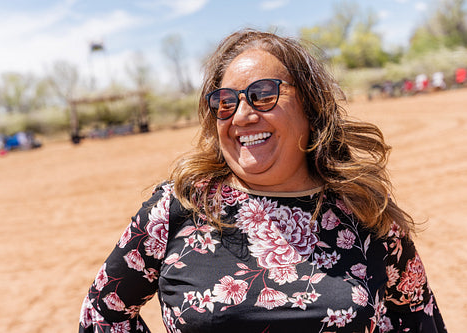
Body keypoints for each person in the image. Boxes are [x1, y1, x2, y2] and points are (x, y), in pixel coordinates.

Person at [79, 29, 447, 332]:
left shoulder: (366, 214)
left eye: (263, 95)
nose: (241, 115)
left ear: (310, 104)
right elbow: (102, 313)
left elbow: (418, 319)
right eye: (225, 102)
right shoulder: (180, 207)